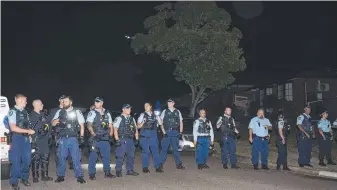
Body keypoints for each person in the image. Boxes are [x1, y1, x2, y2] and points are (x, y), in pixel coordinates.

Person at [52, 96, 86, 183]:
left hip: (73, 139)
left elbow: (82, 125)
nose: (64, 103)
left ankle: (79, 176)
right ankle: (60, 176)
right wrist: (58, 120)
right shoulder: (59, 111)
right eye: (63, 102)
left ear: (70, 102)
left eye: (66, 101)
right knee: (61, 158)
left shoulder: (77, 111)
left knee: (76, 158)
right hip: (63, 139)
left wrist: (81, 137)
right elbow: (52, 123)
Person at [7, 94, 35, 190]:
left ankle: (24, 178)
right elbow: (13, 127)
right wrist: (28, 131)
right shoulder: (12, 112)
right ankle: (14, 182)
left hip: (26, 139)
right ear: (19, 101)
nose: (26, 103)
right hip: (16, 139)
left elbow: (27, 125)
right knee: (16, 162)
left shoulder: (26, 112)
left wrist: (29, 134)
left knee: (27, 160)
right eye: (25, 101)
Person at [86, 97, 116, 180]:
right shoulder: (92, 112)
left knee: (106, 157)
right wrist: (93, 134)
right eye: (95, 102)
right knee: (93, 156)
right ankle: (92, 174)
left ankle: (107, 173)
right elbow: (89, 125)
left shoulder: (107, 113)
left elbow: (110, 125)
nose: (96, 103)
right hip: (95, 138)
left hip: (105, 138)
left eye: (98, 102)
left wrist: (111, 136)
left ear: (102, 103)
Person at [29, 99, 53, 183]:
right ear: (37, 105)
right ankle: (35, 176)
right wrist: (38, 131)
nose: (43, 105)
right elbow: (29, 129)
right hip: (36, 141)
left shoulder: (44, 115)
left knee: (45, 158)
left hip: (45, 141)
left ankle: (45, 176)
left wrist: (50, 135)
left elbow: (49, 125)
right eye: (41, 104)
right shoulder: (31, 115)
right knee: (36, 158)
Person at [113, 104, 139, 177]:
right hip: (122, 139)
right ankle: (118, 170)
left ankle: (130, 170)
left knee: (131, 156)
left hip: (130, 139)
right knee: (120, 156)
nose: (129, 110)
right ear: (123, 109)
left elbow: (136, 129)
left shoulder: (132, 118)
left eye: (130, 109)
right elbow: (115, 129)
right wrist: (117, 140)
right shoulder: (119, 118)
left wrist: (136, 139)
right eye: (127, 109)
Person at [137, 102, 163, 173]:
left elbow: (160, 123)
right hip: (145, 135)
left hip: (153, 135)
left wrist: (158, 116)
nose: (145, 107)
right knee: (145, 152)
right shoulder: (142, 115)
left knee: (155, 152)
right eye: (144, 106)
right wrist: (142, 122)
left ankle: (157, 167)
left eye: (147, 106)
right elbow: (138, 126)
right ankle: (145, 167)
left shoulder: (155, 115)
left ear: (150, 106)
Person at [159, 98, 185, 170]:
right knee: (164, 149)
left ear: (173, 103)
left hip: (175, 132)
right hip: (167, 132)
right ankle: (160, 164)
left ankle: (178, 164)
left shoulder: (178, 111)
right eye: (168, 102)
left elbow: (181, 122)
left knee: (176, 149)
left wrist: (180, 132)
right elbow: (160, 122)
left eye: (170, 102)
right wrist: (164, 132)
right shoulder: (165, 111)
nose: (168, 103)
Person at [49, 95, 73, 170]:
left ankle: (71, 163)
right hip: (58, 133)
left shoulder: (70, 109)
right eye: (62, 100)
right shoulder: (54, 110)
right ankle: (59, 167)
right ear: (60, 101)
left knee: (71, 149)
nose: (63, 101)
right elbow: (51, 122)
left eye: (65, 100)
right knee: (59, 152)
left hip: (69, 133)